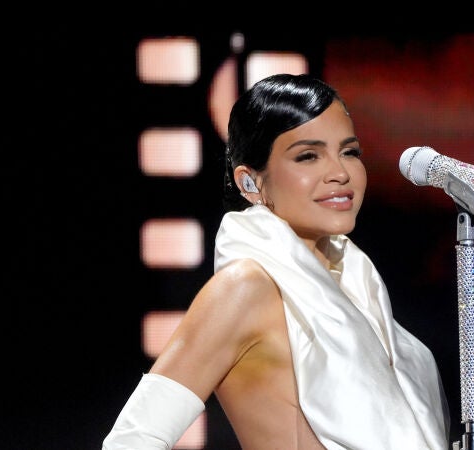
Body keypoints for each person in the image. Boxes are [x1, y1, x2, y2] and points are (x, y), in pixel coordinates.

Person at [102, 73, 450, 449]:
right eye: (308, 156)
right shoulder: (246, 287)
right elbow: (133, 439)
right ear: (250, 182)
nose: (340, 173)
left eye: (349, 152)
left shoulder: (359, 288)